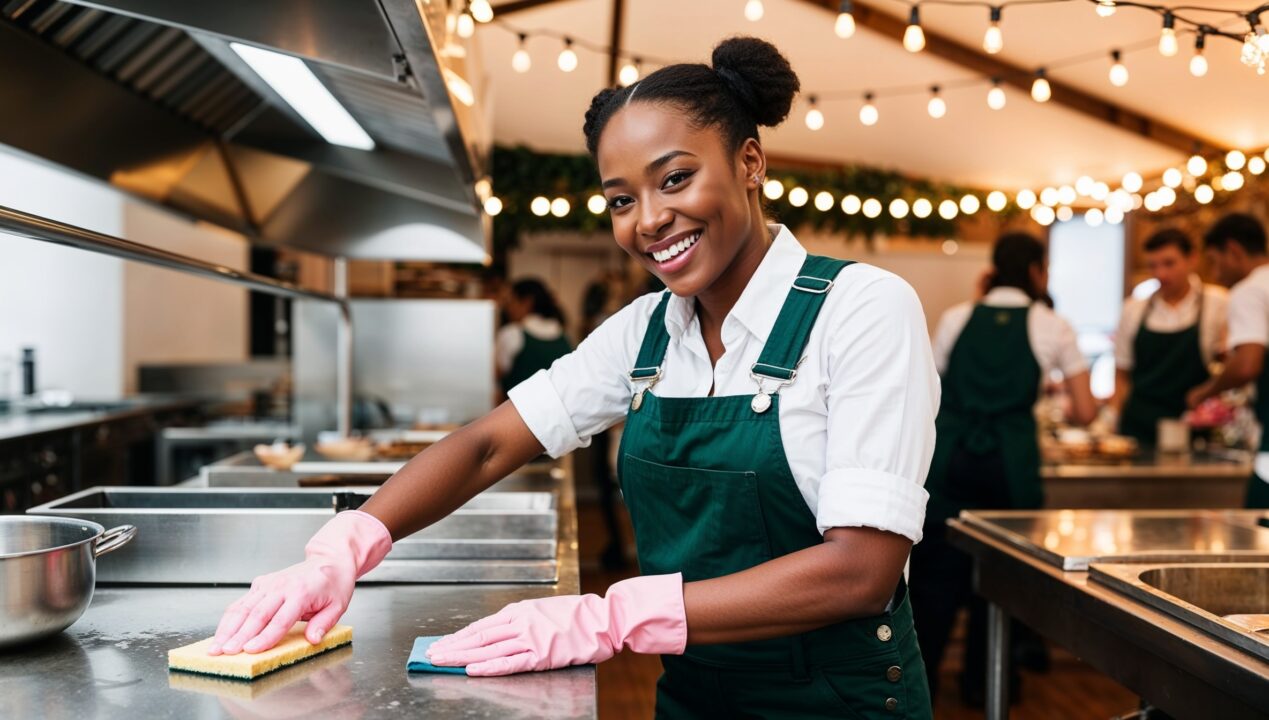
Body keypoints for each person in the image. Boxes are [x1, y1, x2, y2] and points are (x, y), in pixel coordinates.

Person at [206, 37, 939, 719]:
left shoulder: (861, 309)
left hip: (839, 700)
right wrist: (347, 543)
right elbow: (491, 444)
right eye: (621, 199)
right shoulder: (645, 330)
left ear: (750, 162)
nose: (648, 220)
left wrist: (609, 616)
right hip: (693, 695)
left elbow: (859, 570)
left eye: (675, 178)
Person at [910, 232, 1097, 705]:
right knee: (1001, 581)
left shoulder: (957, 317)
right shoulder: (1052, 325)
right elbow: (1086, 412)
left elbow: (926, 391)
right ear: (1036, 271)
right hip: (1011, 470)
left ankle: (921, 685)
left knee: (935, 580)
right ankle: (984, 686)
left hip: (948, 463)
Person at [1112, 228, 1227, 446]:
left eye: (1169, 263)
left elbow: (1226, 364)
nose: (1160, 274)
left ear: (1192, 259)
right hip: (1138, 426)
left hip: (1195, 426)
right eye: (1153, 266)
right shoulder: (1133, 309)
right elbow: (1121, 374)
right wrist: (1113, 419)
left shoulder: (1218, 303)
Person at [1187, 213, 1269, 508]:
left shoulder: (1249, 291)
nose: (1215, 273)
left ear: (1233, 251)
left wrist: (1204, 392)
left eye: (1215, 261)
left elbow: (1248, 363)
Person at [496, 278, 572, 397]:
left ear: (527, 302)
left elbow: (496, 374)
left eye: (511, 301)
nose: (508, 308)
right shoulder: (562, 334)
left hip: (518, 411)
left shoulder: (513, 333)